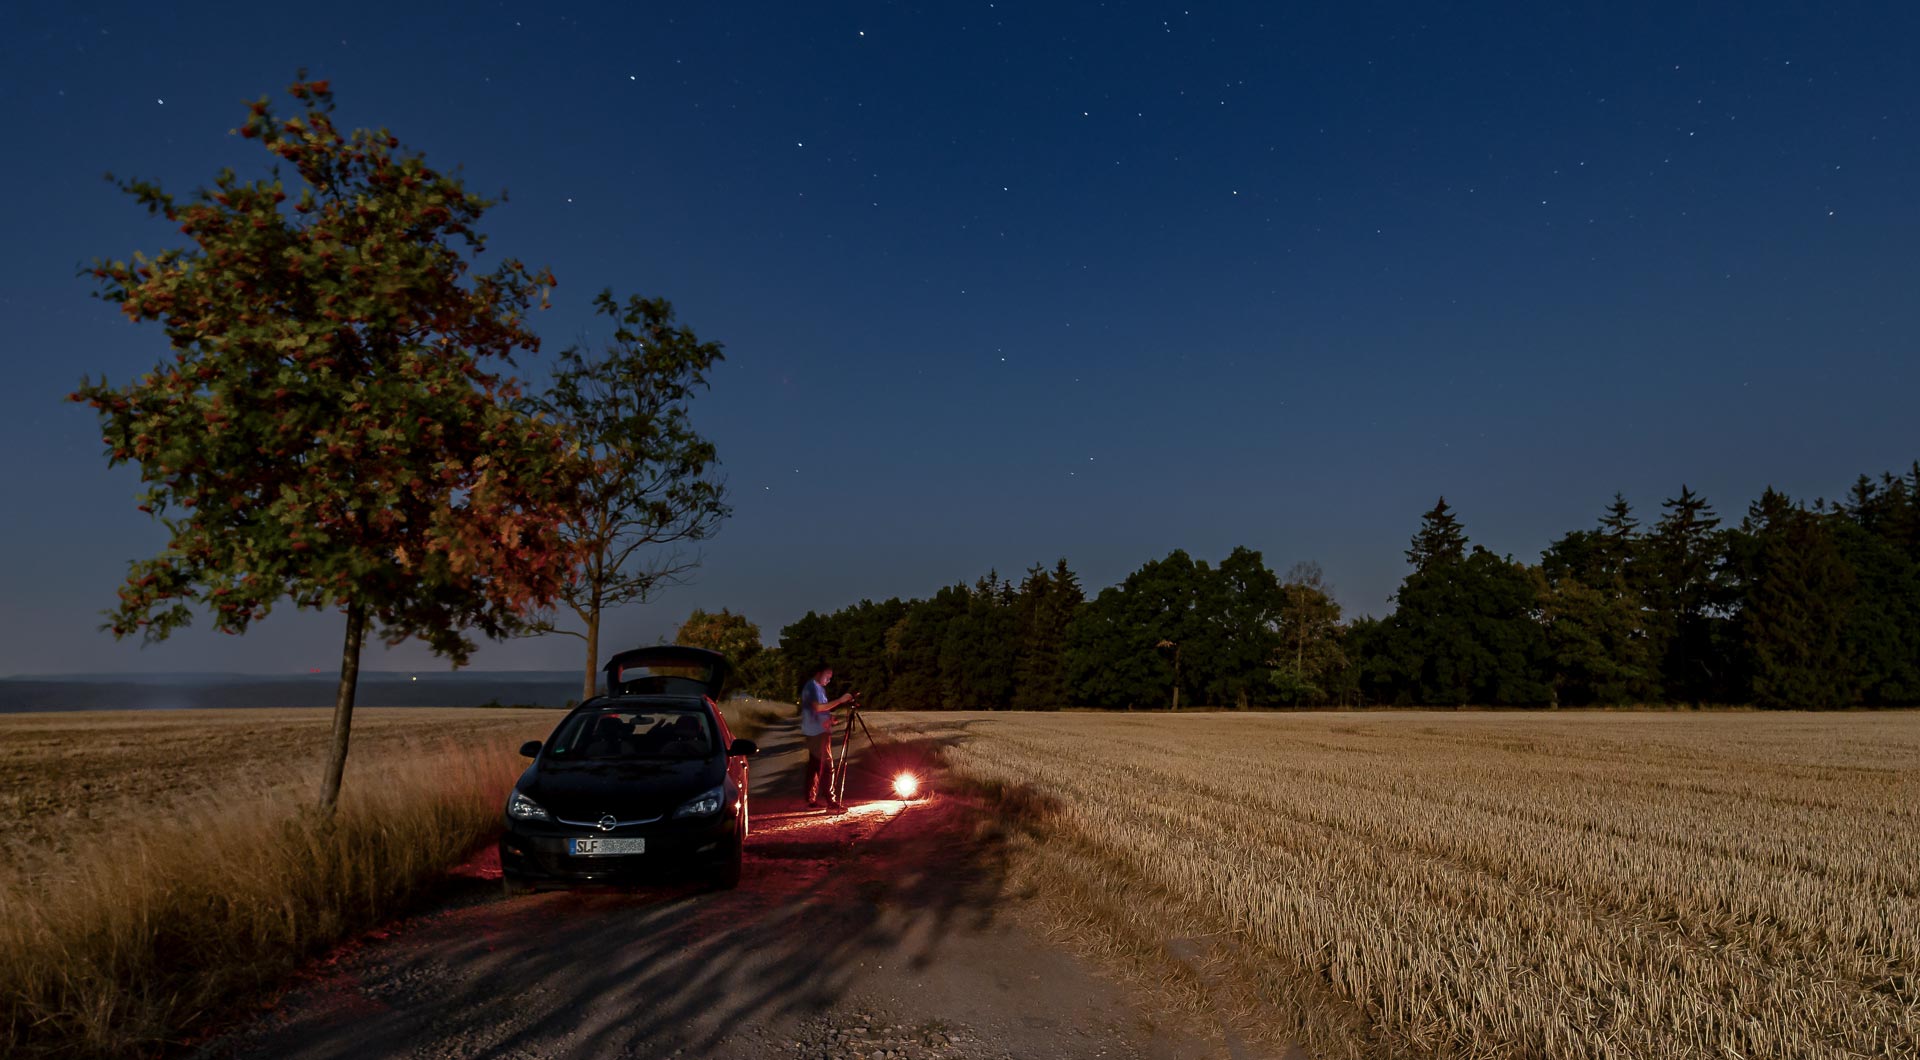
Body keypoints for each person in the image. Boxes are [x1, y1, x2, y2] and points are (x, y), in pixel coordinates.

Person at [799, 664, 856, 809]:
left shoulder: (818, 688)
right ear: (819, 673)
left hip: (819, 731)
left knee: (815, 766)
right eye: (827, 677)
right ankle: (831, 801)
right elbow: (817, 707)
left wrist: (829, 718)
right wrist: (840, 700)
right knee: (826, 765)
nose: (828, 680)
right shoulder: (812, 687)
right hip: (816, 733)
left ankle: (811, 799)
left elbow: (820, 710)